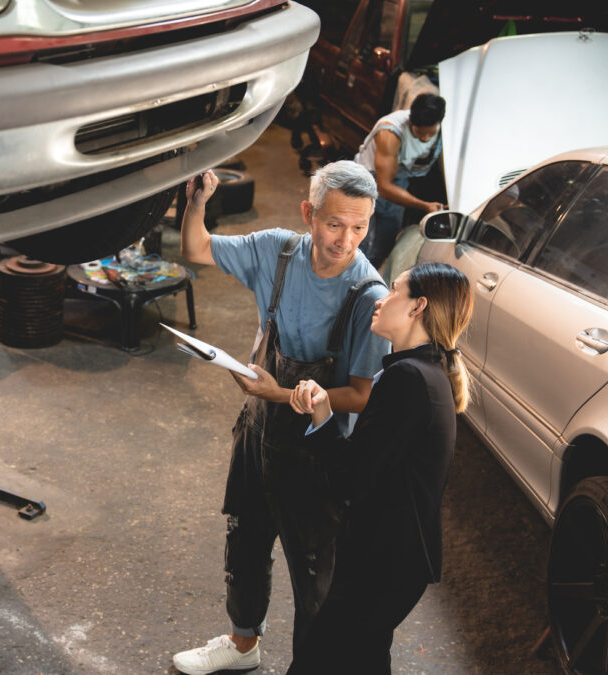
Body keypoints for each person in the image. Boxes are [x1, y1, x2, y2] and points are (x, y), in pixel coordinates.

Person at [172, 161, 391, 675]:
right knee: (245, 539)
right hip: (257, 432)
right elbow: (195, 249)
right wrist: (197, 202)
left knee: (315, 574)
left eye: (360, 227)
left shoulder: (370, 297)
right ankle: (242, 646)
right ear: (308, 213)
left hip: (317, 454)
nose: (346, 240)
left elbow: (361, 395)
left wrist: (282, 391)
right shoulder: (278, 251)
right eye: (335, 223)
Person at [275, 261, 474, 673]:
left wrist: (323, 417)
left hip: (382, 565)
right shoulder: (425, 374)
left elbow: (350, 478)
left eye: (395, 290)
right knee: (363, 660)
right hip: (394, 561)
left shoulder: (408, 380)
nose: (381, 299)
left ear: (418, 306)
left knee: (317, 660)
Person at [355, 93, 446, 268]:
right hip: (366, 181)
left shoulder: (446, 131)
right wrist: (425, 205)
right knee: (360, 242)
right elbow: (385, 187)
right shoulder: (390, 132)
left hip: (398, 182)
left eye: (430, 132)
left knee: (385, 244)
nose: (426, 138)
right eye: (419, 132)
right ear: (410, 119)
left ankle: (363, 282)